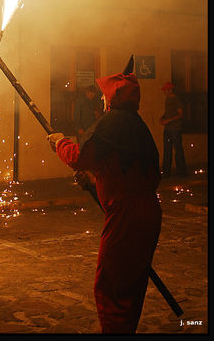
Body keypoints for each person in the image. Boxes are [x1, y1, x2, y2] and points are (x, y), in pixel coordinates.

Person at [47, 57, 162, 334]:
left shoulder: (112, 123)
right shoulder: (136, 124)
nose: (100, 100)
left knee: (110, 286)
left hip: (127, 215)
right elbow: (121, 165)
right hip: (147, 211)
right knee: (130, 283)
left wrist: (59, 141)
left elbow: (79, 156)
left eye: (103, 95)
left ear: (111, 97)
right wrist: (94, 179)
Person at [159, 82, 187, 177]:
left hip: (175, 129)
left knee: (178, 149)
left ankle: (182, 171)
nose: (165, 92)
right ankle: (166, 172)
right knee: (167, 150)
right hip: (168, 129)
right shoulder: (167, 99)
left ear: (170, 90)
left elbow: (180, 114)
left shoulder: (176, 100)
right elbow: (168, 112)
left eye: (166, 90)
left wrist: (169, 120)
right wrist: (162, 118)